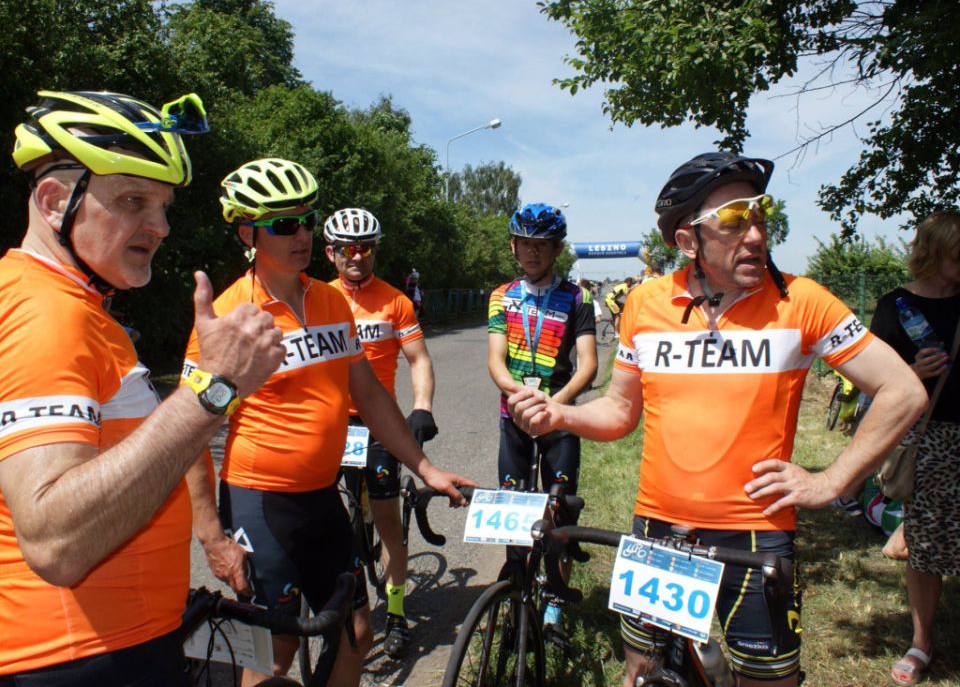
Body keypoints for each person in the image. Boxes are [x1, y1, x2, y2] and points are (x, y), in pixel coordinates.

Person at [507, 153, 928, 687]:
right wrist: (559, 413)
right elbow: (620, 411)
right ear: (688, 241)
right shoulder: (646, 303)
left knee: (766, 682)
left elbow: (902, 391)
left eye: (760, 215)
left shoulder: (802, 301)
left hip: (755, 535)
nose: (755, 234)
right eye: (733, 220)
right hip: (657, 527)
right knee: (644, 672)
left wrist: (832, 481)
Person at [0, 90, 284, 685]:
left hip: (120, 643)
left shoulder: (77, 306)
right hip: (76, 658)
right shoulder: (46, 315)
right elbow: (55, 541)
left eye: (164, 206)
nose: (160, 227)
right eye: (133, 200)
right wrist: (216, 388)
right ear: (54, 201)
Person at [184, 158, 473, 687]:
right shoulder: (228, 315)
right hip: (260, 499)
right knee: (276, 649)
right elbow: (190, 436)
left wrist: (425, 468)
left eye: (307, 220)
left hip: (321, 497)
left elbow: (369, 392)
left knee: (356, 633)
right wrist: (211, 537)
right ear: (248, 233)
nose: (302, 235)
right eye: (284, 224)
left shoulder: (330, 299)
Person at [325, 208, 438, 658]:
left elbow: (419, 359)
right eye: (348, 249)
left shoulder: (395, 301)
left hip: (377, 422)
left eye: (366, 248)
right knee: (325, 517)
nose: (357, 256)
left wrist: (422, 407)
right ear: (331, 253)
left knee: (388, 521)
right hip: (330, 424)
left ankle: (395, 612)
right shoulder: (318, 299)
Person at [487, 202, 598, 645]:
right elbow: (496, 360)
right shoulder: (501, 295)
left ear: (556, 249)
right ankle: (516, 595)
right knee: (512, 507)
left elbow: (588, 365)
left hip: (560, 416)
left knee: (561, 511)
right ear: (513, 247)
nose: (532, 252)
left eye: (541, 245)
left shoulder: (578, 298)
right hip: (514, 415)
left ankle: (554, 607)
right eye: (524, 244)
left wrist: (555, 405)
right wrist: (520, 397)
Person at [869, 212, 960, 687]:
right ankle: (921, 643)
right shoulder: (894, 307)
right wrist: (913, 373)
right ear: (935, 250)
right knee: (925, 545)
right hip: (928, 438)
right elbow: (872, 383)